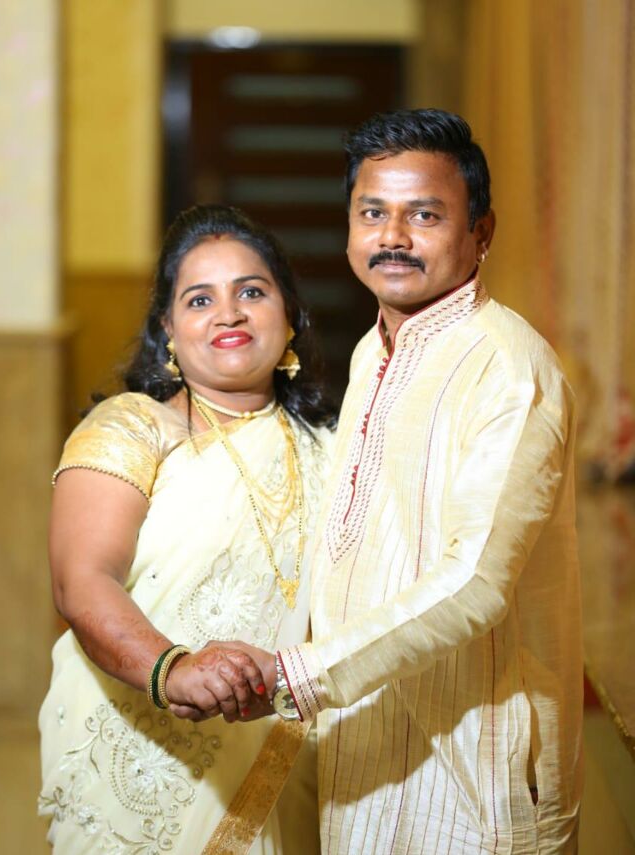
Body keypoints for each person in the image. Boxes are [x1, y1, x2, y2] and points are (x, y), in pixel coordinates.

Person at [218, 109, 584, 853]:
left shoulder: (509, 371)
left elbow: (475, 581)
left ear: (481, 232)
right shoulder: (372, 351)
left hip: (475, 762)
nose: (393, 236)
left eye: (425, 215)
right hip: (366, 740)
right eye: (372, 213)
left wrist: (298, 674)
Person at [38, 204, 336, 854]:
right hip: (141, 747)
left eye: (251, 292)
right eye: (200, 299)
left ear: (289, 314)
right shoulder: (133, 428)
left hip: (289, 749)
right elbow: (81, 579)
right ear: (169, 329)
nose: (228, 314)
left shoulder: (334, 450)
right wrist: (171, 670)